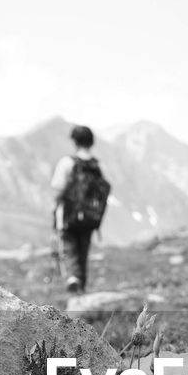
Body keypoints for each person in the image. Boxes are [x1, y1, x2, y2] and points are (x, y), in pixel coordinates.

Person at [50, 125, 110, 295]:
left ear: (74, 142)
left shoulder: (67, 163)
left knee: (69, 249)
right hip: (90, 218)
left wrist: (55, 209)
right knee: (83, 252)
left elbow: (58, 188)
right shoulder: (97, 166)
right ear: (91, 142)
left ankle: (73, 279)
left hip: (68, 216)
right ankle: (81, 290)